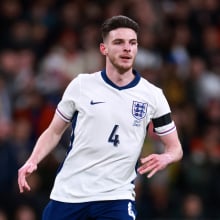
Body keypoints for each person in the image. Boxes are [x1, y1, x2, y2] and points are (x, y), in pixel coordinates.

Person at [18, 15, 183, 220]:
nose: (127, 48)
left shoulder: (153, 95)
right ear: (103, 49)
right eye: (119, 42)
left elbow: (175, 148)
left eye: (132, 43)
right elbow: (54, 131)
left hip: (116, 197)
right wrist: (33, 160)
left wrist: (166, 157)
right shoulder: (81, 85)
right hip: (70, 193)